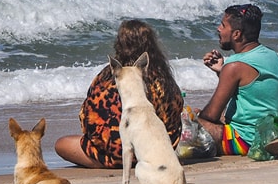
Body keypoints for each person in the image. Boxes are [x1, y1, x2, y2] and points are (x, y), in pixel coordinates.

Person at [54, 19, 184, 168]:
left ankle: (116, 163)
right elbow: (175, 118)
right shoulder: (163, 79)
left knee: (61, 144)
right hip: (154, 153)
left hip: (114, 155)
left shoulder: (107, 76)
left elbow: (89, 119)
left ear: (119, 45)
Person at [195, 3, 278, 155]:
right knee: (196, 115)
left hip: (248, 142)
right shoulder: (271, 55)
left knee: (184, 122)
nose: (218, 29)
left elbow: (210, 115)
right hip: (276, 137)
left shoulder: (234, 66)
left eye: (223, 25)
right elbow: (252, 95)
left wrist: (192, 118)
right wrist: (222, 71)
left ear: (236, 34)